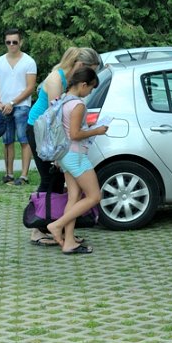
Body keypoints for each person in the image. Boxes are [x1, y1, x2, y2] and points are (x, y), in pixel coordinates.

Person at [26, 47, 100, 245]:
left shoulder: (69, 80)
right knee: (49, 179)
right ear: (81, 65)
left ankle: (60, 230)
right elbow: (55, 119)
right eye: (91, 71)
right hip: (41, 131)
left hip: (56, 134)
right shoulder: (56, 80)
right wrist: (59, 154)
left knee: (60, 183)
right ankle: (39, 228)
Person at [45, 68, 108, 254]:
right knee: (94, 196)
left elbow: (68, 129)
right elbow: (75, 134)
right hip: (76, 155)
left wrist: (87, 126)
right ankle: (57, 226)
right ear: (83, 84)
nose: (90, 92)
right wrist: (96, 130)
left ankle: (69, 242)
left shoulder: (63, 100)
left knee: (73, 197)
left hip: (64, 155)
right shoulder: (78, 105)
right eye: (91, 88)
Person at [0, 28, 37, 185]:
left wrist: (12, 102)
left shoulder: (29, 61)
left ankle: (24, 175)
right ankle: (9, 174)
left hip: (22, 106)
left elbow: (30, 87)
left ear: (20, 42)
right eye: (8, 42)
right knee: (7, 141)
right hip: (4, 106)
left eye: (14, 42)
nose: (11, 45)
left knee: (24, 140)